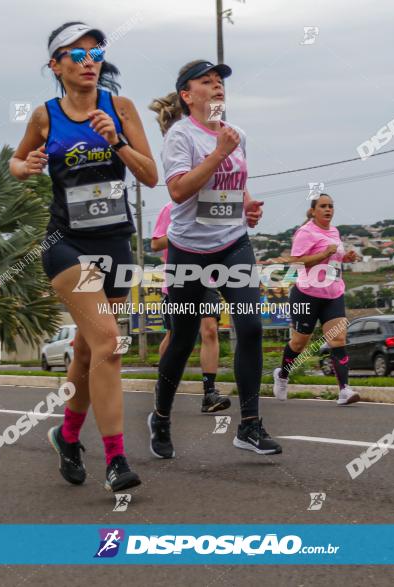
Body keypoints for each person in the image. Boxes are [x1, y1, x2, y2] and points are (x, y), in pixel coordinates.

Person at [9, 21, 158, 492]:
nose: (89, 61)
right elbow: (16, 161)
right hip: (66, 243)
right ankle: (116, 459)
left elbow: (151, 176)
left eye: (95, 53)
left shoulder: (122, 108)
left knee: (86, 351)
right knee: (110, 343)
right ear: (56, 65)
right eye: (77, 54)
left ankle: (68, 436)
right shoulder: (44, 116)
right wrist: (25, 166)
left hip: (115, 242)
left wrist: (116, 139)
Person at [147, 59, 281, 458]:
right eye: (207, 82)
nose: (217, 86)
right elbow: (178, 191)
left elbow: (235, 185)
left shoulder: (236, 135)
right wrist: (217, 154)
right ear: (187, 96)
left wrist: (248, 205)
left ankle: (250, 425)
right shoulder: (180, 136)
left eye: (220, 81)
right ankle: (161, 416)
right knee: (184, 338)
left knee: (252, 326)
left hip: (232, 243)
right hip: (188, 250)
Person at [272, 193, 360, 405]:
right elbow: (296, 262)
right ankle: (282, 375)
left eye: (331, 206)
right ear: (313, 211)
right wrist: (322, 255)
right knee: (299, 343)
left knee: (337, 339)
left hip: (333, 294)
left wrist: (345, 257)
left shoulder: (335, 231)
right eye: (323, 206)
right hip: (307, 294)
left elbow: (334, 259)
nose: (328, 210)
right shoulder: (305, 232)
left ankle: (344, 390)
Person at [151, 201, 230, 412]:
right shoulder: (170, 208)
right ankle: (163, 383)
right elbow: (156, 244)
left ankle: (209, 394)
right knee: (176, 335)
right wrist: (183, 235)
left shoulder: (210, 206)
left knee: (210, 331)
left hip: (207, 279)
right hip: (178, 279)